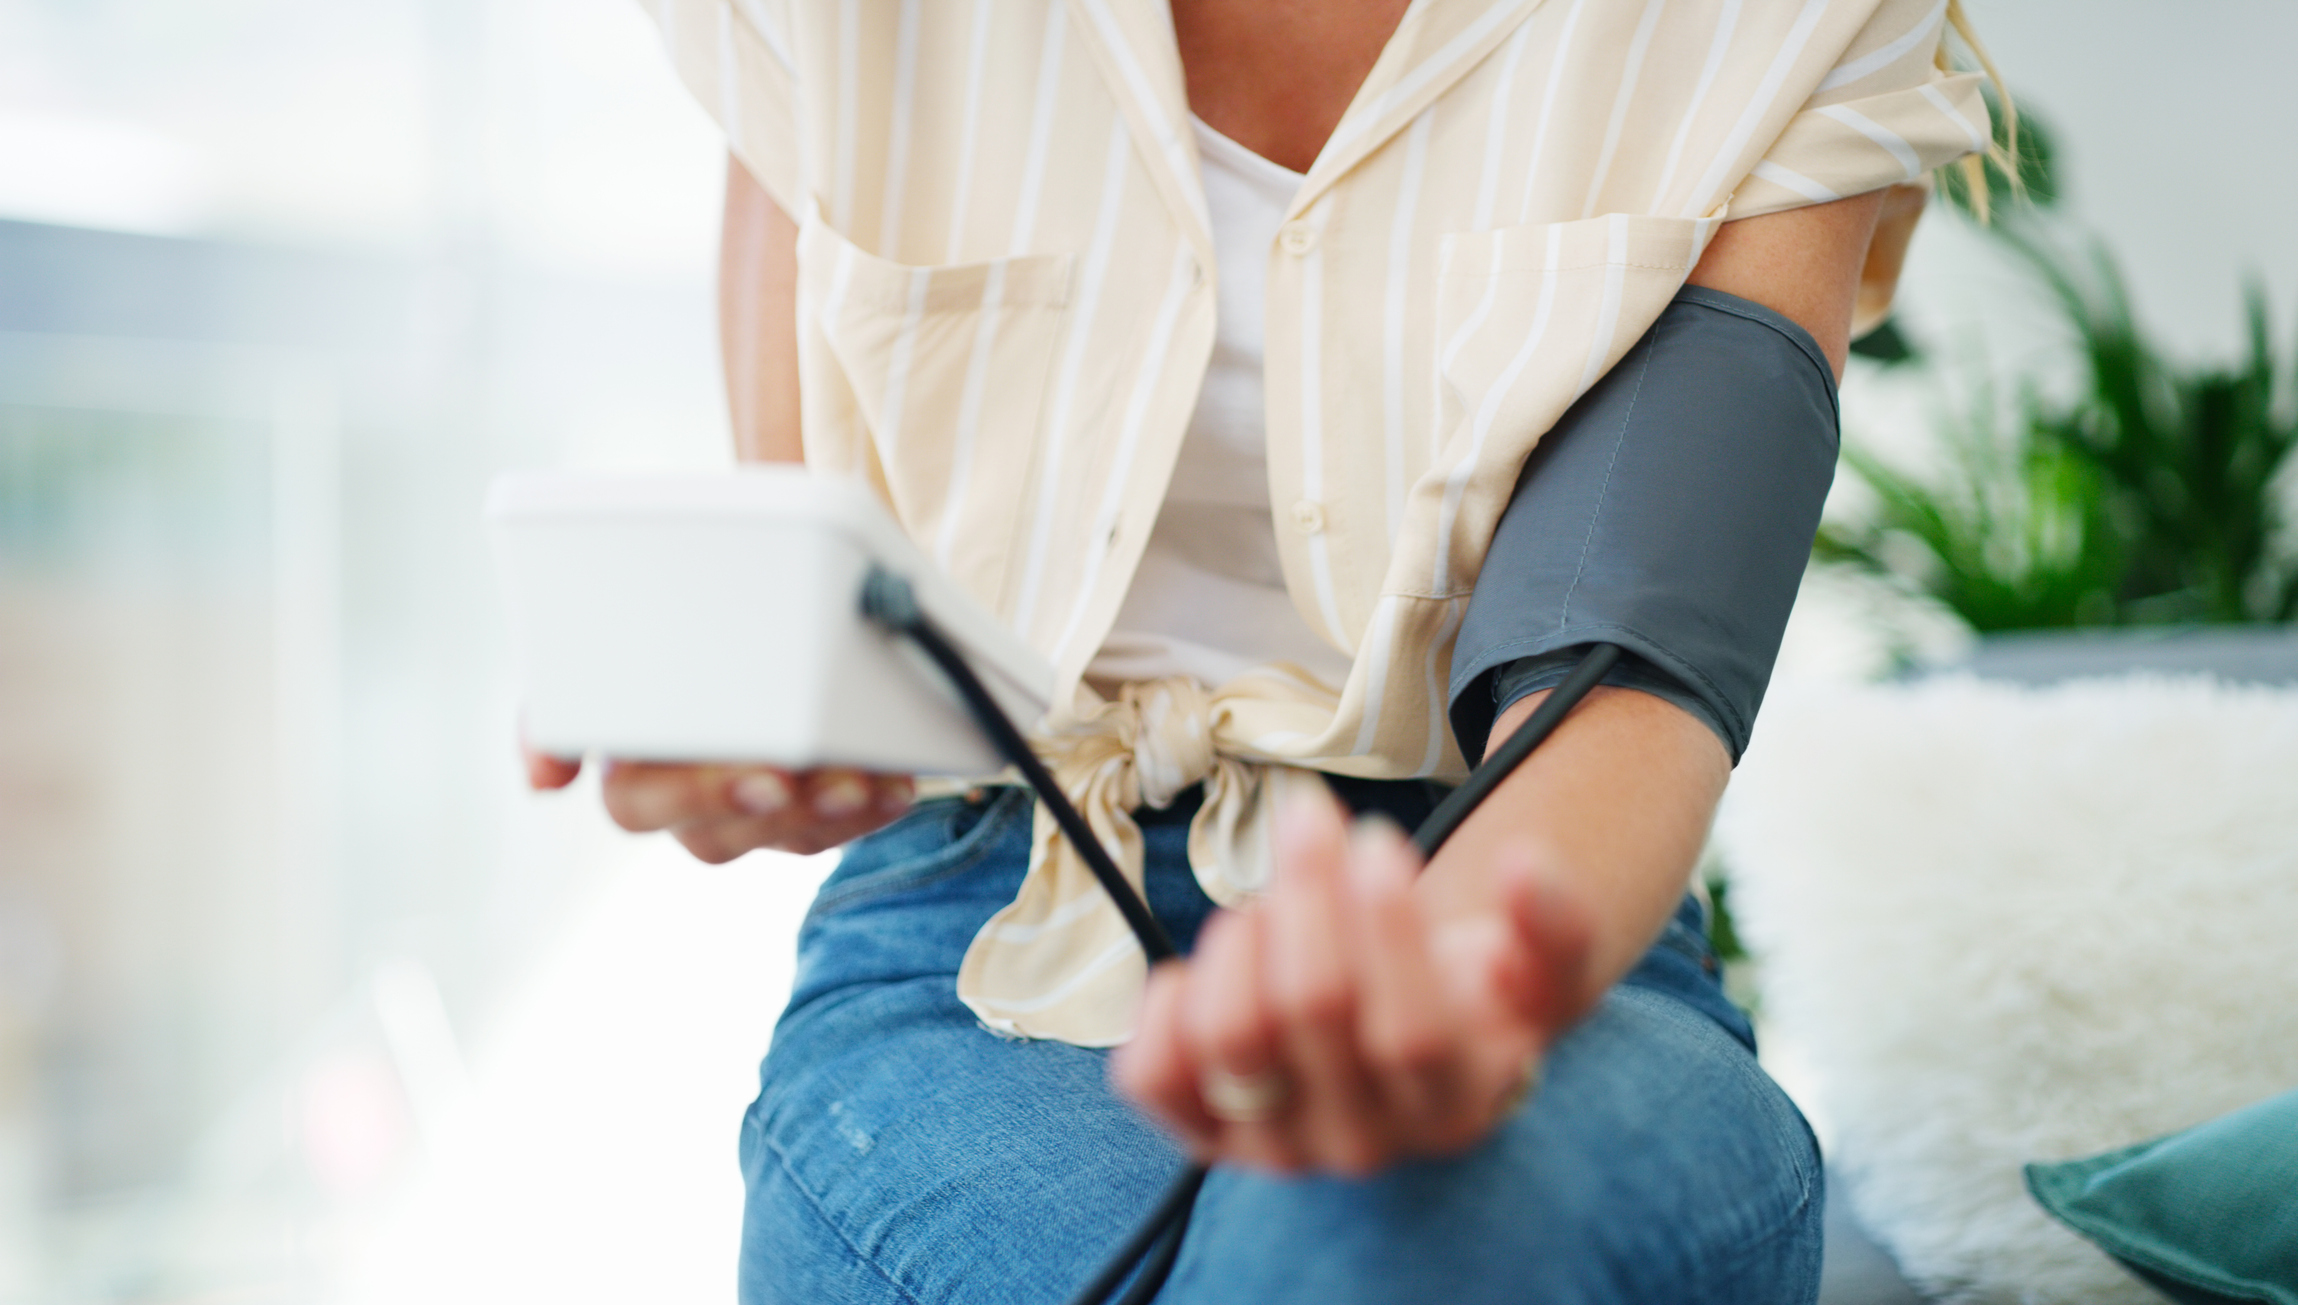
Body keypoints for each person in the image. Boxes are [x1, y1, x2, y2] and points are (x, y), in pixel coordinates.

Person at [527, 1, 2001, 1299]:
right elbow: (831, 597)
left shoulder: (1768, 23)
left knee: (1381, 1239)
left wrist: (1446, 971)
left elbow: (1623, 666)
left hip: (1538, 909)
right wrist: (777, 737)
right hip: (990, 919)